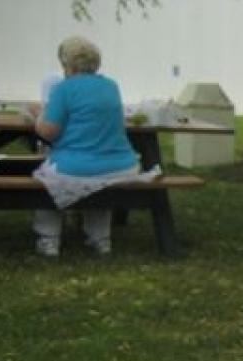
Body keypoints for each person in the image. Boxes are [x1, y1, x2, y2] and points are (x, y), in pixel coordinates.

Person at [30, 37, 144, 257]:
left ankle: (48, 239)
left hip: (76, 167)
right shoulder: (111, 86)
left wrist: (37, 118)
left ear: (67, 65)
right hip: (122, 167)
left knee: (44, 180)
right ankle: (100, 239)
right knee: (99, 182)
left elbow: (48, 132)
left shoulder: (64, 89)